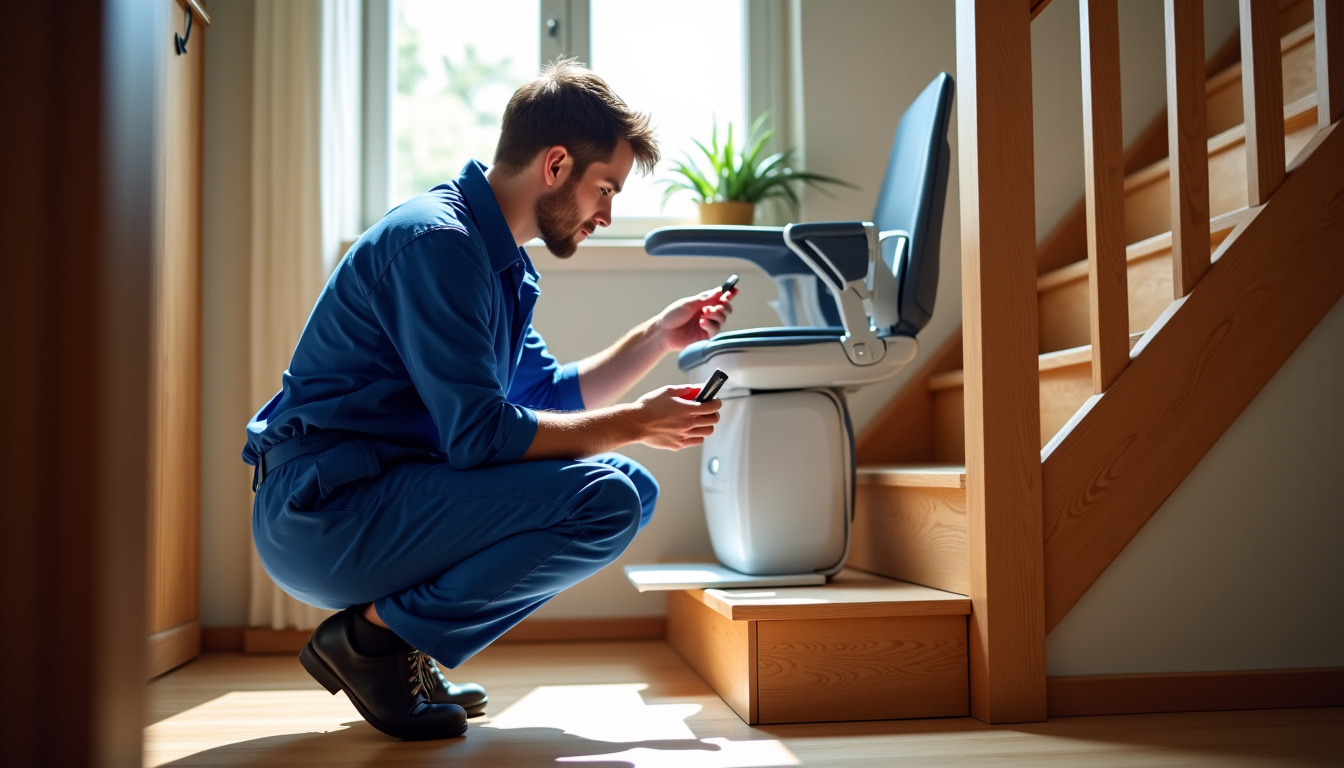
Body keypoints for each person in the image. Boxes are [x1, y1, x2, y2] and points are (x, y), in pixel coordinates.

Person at [242, 59, 736, 742]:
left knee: (627, 487)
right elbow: (482, 437)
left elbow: (544, 396)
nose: (607, 214)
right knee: (605, 497)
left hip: (378, 495)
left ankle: (398, 640)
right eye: (605, 189)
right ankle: (376, 643)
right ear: (556, 165)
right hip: (323, 513)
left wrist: (656, 337)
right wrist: (637, 421)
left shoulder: (489, 258)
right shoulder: (439, 245)